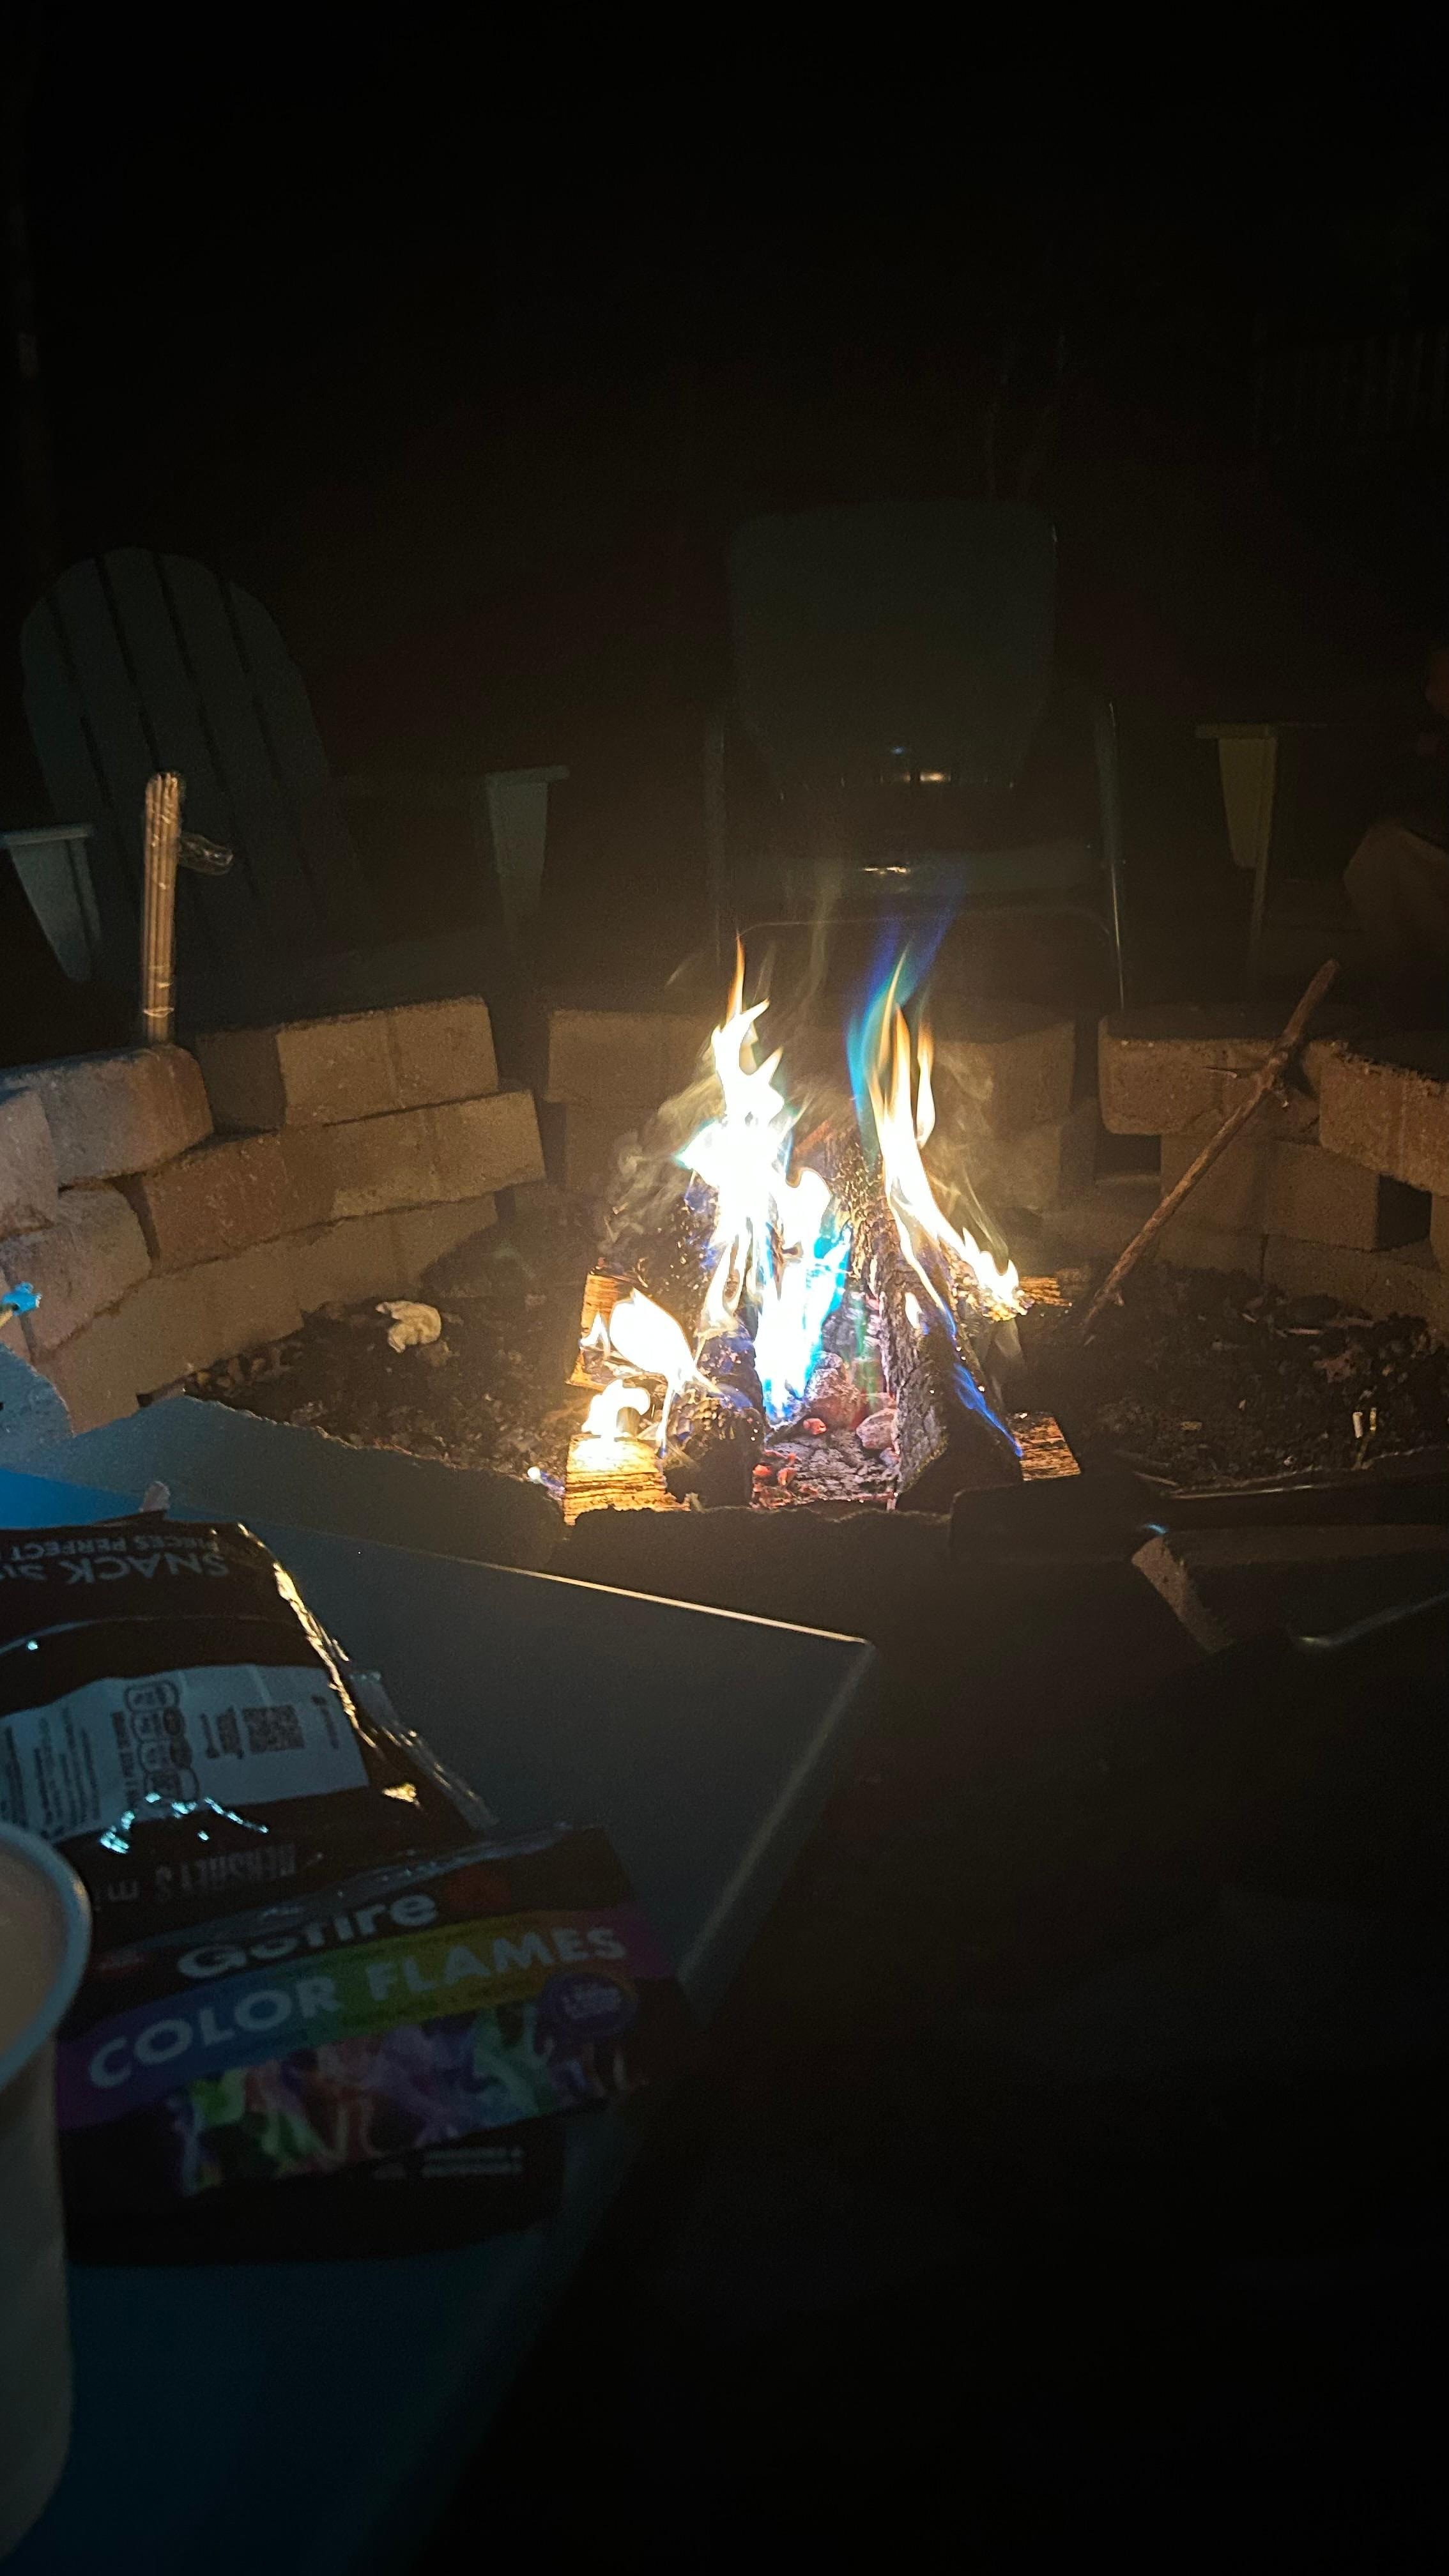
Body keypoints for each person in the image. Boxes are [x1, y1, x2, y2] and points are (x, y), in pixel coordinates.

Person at [1344, 640, 1449, 1019]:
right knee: (1380, 852)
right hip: (1420, 844)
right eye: (1437, 681)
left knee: (1387, 850)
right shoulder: (1420, 744)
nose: (1437, 691)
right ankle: (1409, 993)